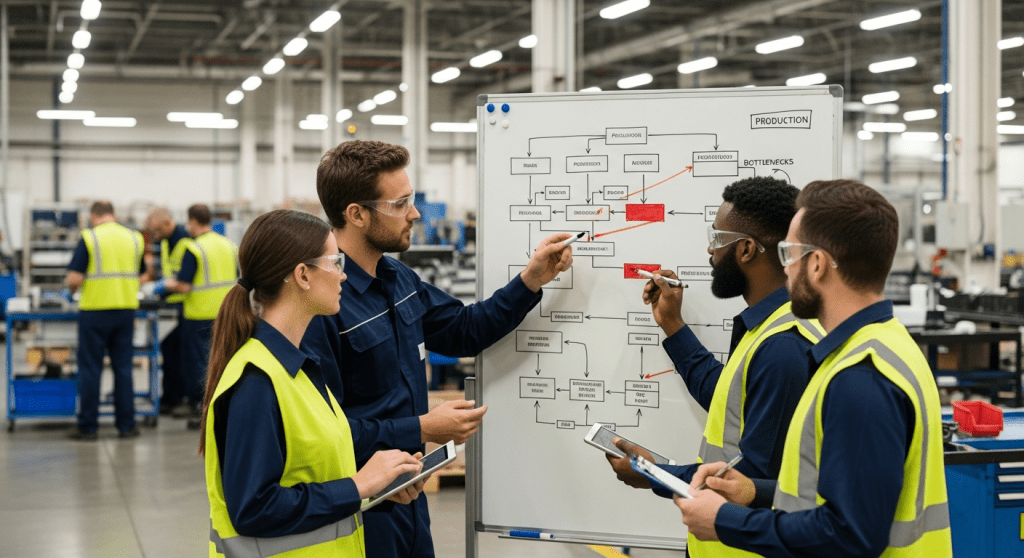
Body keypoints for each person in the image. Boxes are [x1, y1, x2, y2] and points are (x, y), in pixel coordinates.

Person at [302, 140, 574, 558]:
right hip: (360, 509)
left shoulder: (398, 279)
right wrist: (423, 428)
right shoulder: (324, 307)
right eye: (401, 203)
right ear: (356, 214)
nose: (414, 213)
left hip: (410, 496)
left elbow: (464, 330)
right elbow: (323, 435)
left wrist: (531, 280)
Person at [676, 180, 952, 557]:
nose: (785, 270)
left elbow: (849, 535)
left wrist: (725, 521)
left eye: (789, 253)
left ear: (818, 264)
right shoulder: (884, 345)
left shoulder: (862, 378)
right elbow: (844, 497)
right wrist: (755, 492)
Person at [602, 177, 824, 557]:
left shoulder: (783, 347)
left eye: (717, 238)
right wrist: (673, 325)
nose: (709, 248)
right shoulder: (769, 328)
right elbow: (730, 399)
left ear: (747, 249)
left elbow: (749, 479)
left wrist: (653, 473)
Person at [200, 209, 427, 557]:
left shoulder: (300, 367)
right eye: (335, 262)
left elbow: (311, 477)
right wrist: (357, 484)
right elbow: (254, 508)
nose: (343, 277)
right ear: (303, 275)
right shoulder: (257, 380)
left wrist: (375, 488)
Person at [66, 201, 146, 439]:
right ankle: (127, 425)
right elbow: (142, 274)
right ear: (113, 214)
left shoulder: (90, 237)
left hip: (95, 312)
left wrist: (70, 293)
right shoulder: (134, 238)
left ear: (94, 216)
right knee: (123, 368)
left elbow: (74, 278)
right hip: (125, 311)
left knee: (91, 368)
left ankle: (88, 427)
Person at [161, 204, 238, 428]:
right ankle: (226, 405)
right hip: (226, 313)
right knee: (225, 360)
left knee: (198, 363)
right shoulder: (229, 245)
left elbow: (184, 286)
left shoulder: (195, 249)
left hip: (199, 314)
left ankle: (200, 409)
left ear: (193, 222)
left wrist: (165, 285)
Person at [144, 207, 192, 414]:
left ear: (167, 222)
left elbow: (185, 278)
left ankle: (181, 399)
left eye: (156, 230)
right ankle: (170, 398)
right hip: (170, 304)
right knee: (169, 354)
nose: (155, 235)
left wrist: (162, 287)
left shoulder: (186, 241)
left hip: (186, 305)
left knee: (182, 357)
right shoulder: (165, 243)